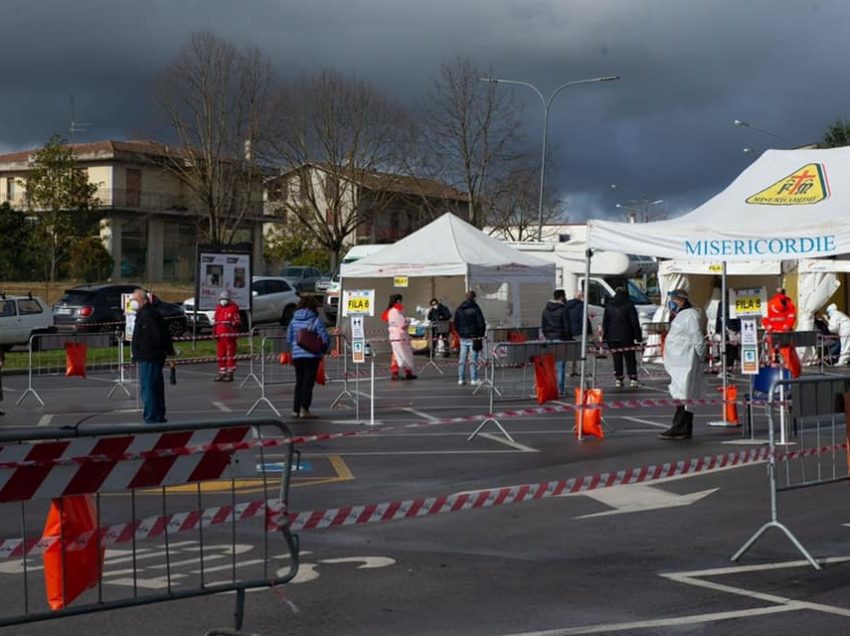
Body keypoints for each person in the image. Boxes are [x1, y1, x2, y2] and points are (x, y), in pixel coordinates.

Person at [659, 289, 705, 440]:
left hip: (685, 361)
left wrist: (701, 355)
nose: (671, 303)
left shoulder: (690, 315)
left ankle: (679, 427)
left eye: (673, 300)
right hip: (680, 362)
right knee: (683, 394)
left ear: (681, 300)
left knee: (683, 394)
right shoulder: (683, 315)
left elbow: (697, 337)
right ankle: (684, 428)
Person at [130, 288, 174, 424]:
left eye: (135, 300)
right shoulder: (146, 314)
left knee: (149, 388)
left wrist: (161, 350)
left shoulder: (148, 315)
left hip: (150, 356)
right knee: (154, 387)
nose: (133, 303)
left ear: (143, 300)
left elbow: (158, 335)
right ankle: (158, 415)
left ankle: (151, 417)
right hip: (150, 355)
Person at [287, 295, 330, 419]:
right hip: (312, 355)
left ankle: (295, 409)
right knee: (308, 382)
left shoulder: (293, 320)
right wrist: (323, 349)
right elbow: (325, 338)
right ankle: (304, 409)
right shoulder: (315, 320)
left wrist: (295, 347)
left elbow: (289, 338)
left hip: (297, 354)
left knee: (299, 382)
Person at [602, 286, 641, 389]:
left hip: (612, 336)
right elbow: (634, 322)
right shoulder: (629, 304)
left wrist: (605, 337)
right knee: (630, 358)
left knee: (616, 358)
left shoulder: (609, 305)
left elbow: (605, 322)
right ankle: (633, 378)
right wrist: (638, 336)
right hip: (626, 335)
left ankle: (618, 379)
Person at [541, 289, 573, 395]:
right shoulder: (563, 310)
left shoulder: (546, 309)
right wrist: (568, 338)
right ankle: (560, 389)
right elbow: (567, 327)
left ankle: (550, 387)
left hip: (549, 339)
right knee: (561, 366)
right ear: (561, 297)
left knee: (550, 365)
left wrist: (547, 335)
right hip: (561, 339)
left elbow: (543, 326)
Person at [454, 290, 486, 386]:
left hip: (463, 337)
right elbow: (481, 323)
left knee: (462, 359)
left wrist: (460, 333)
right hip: (474, 336)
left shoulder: (459, 309)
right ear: (474, 298)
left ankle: (461, 378)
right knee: (473, 359)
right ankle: (474, 378)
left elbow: (456, 323)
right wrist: (480, 335)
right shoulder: (476, 308)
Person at [382, 294, 416, 381]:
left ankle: (406, 372)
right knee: (400, 354)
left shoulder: (392, 311)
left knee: (401, 353)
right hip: (399, 335)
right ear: (398, 301)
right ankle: (396, 372)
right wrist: (408, 320)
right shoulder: (395, 311)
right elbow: (402, 324)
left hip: (397, 335)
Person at [213, 290, 241, 382]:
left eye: (225, 299)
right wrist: (214, 333)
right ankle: (222, 372)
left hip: (229, 337)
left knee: (230, 355)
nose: (223, 301)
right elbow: (216, 322)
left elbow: (237, 322)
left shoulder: (233, 308)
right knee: (220, 355)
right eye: (221, 299)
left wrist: (233, 327)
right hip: (220, 337)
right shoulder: (218, 309)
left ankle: (230, 373)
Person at [565, 291, 592, 377]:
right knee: (582, 352)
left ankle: (571, 370)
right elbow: (584, 319)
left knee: (571, 352)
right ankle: (582, 370)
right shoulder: (581, 306)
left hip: (570, 332)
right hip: (580, 332)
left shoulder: (567, 306)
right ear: (581, 297)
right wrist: (589, 331)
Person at [715, 300, 741, 377]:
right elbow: (720, 317)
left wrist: (718, 328)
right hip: (729, 328)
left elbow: (719, 317)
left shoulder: (723, 303)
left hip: (728, 328)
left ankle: (727, 368)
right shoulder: (724, 303)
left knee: (728, 349)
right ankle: (727, 368)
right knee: (730, 349)